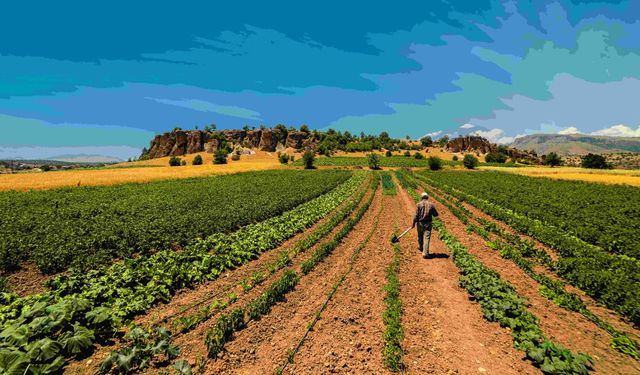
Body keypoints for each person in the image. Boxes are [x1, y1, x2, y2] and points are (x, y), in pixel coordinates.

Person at [412, 192, 439, 258]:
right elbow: (436, 214)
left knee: (420, 236)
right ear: (427, 197)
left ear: (421, 197)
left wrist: (413, 223)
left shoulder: (419, 204)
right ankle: (425, 253)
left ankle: (421, 247)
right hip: (428, 223)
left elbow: (416, 215)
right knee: (426, 238)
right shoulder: (431, 205)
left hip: (420, 223)